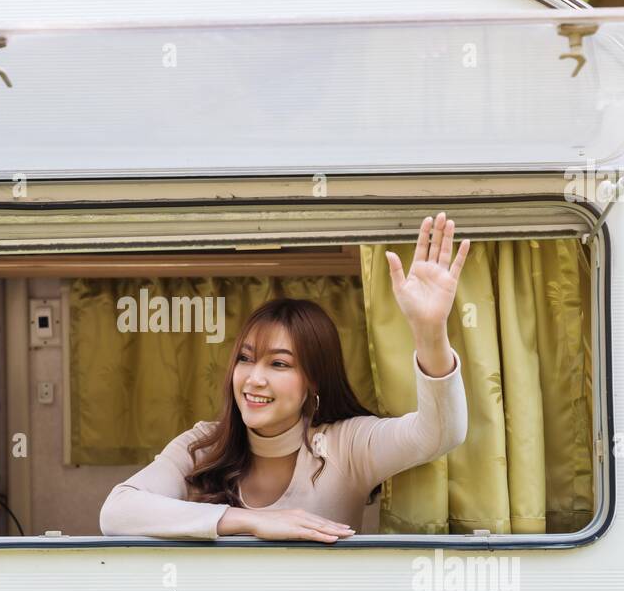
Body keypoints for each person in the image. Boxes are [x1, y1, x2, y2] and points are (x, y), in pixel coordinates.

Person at [99, 212, 471, 542]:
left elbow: (439, 433)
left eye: (278, 364)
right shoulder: (201, 446)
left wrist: (430, 332)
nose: (254, 379)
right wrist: (254, 522)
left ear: (314, 380)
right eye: (246, 359)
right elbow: (116, 512)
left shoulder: (348, 446)